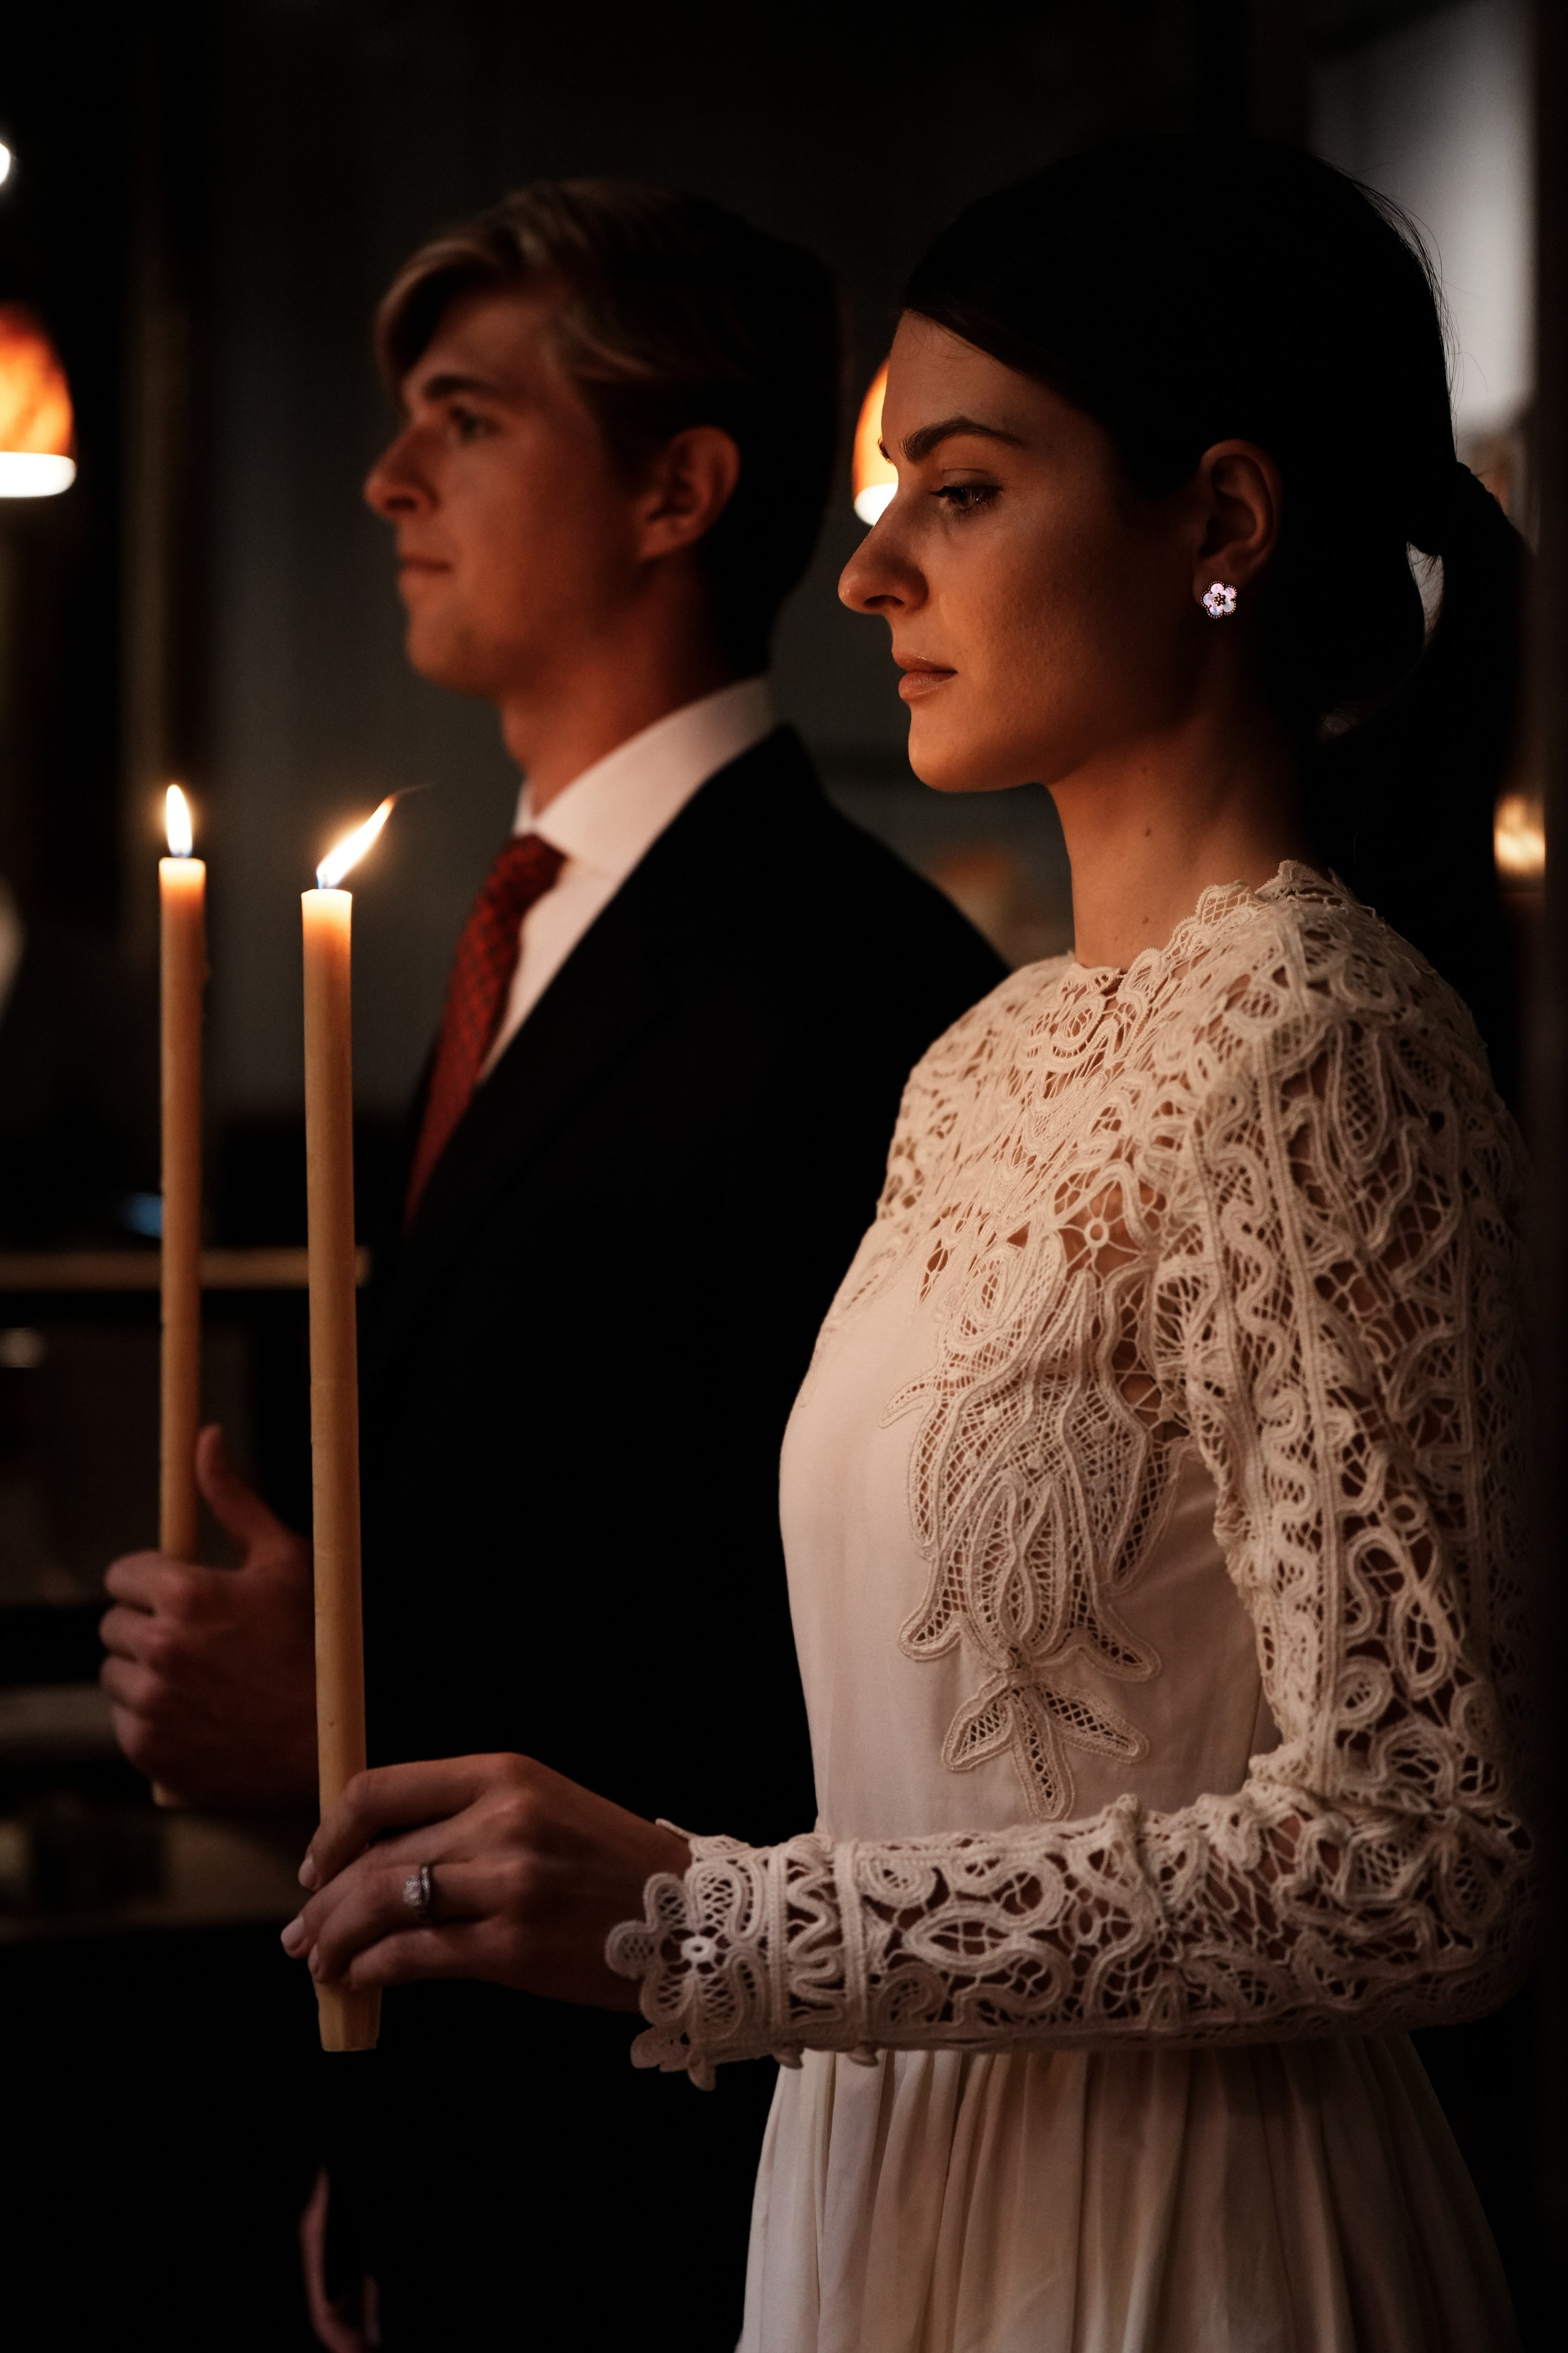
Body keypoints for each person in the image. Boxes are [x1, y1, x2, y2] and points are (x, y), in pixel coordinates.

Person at [284, 140, 1536, 2349]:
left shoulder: (1322, 1042)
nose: (868, 574)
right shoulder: (980, 1060)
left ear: (1220, 526)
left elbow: (1427, 1853)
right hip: (874, 2188)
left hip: (1175, 2223)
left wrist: (716, 1926)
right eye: (889, 492)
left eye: (958, 490)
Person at [98, 181, 1004, 2346]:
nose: (389, 478)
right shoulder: (512, 931)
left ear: (679, 487)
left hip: (673, 2165)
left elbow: (870, 1685)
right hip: (450, 2111)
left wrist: (349, 1707)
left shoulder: (854, 987)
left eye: (467, 418)